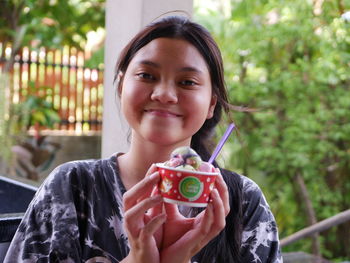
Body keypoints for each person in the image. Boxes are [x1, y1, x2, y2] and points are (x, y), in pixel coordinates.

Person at [4, 16, 282, 263]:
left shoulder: (242, 203)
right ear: (123, 85)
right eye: (147, 75)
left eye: (187, 82)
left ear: (211, 103)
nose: (164, 94)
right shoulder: (71, 188)